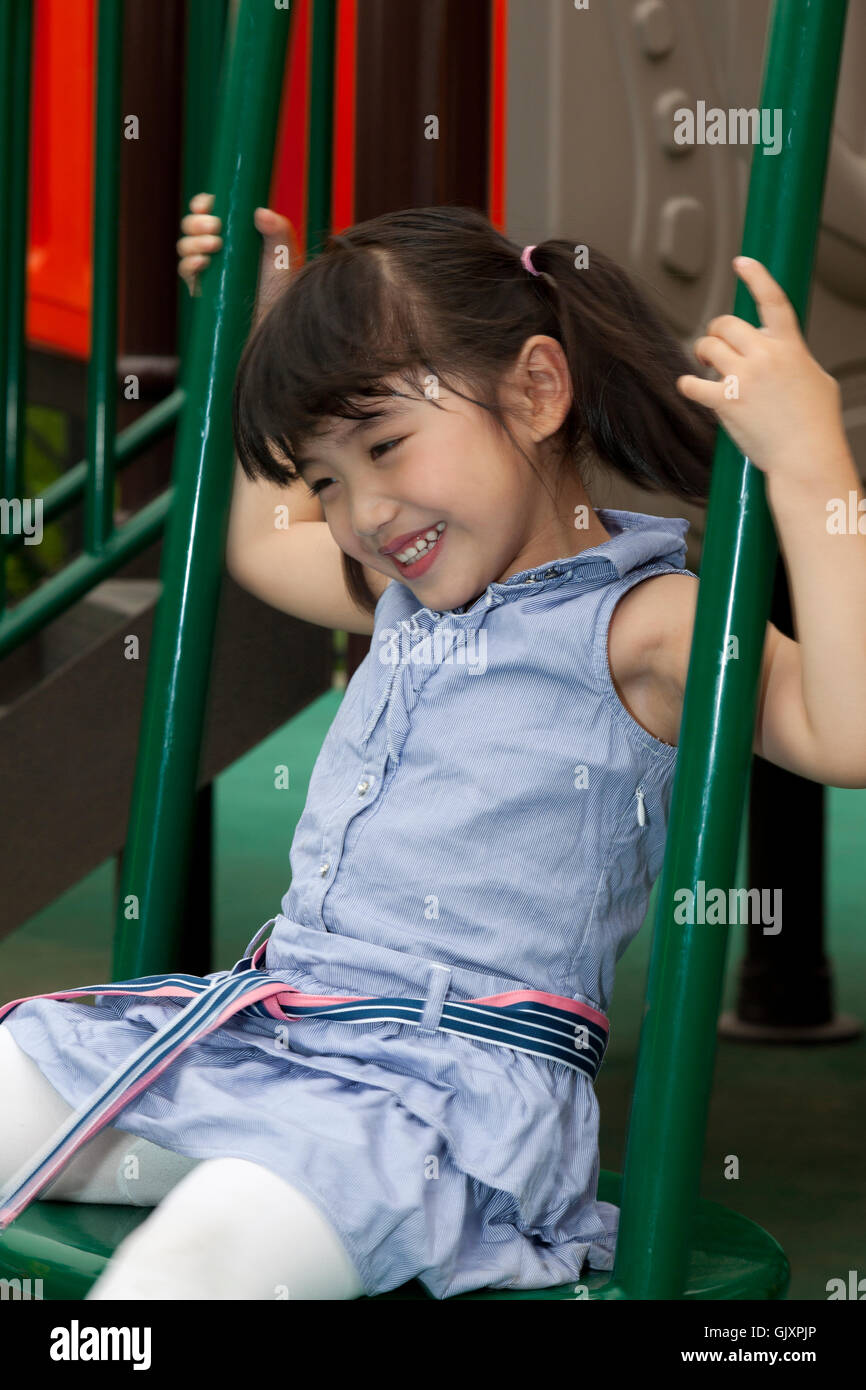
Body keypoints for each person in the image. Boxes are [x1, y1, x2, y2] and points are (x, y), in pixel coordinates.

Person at [1, 195, 863, 1301]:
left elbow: (840, 731)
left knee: (202, 1256)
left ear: (537, 390)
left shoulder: (646, 626)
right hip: (269, 1045)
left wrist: (807, 466)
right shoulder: (413, 593)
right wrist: (265, 319)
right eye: (325, 477)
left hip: (446, 1104)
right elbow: (266, 547)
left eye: (384, 444)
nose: (359, 511)